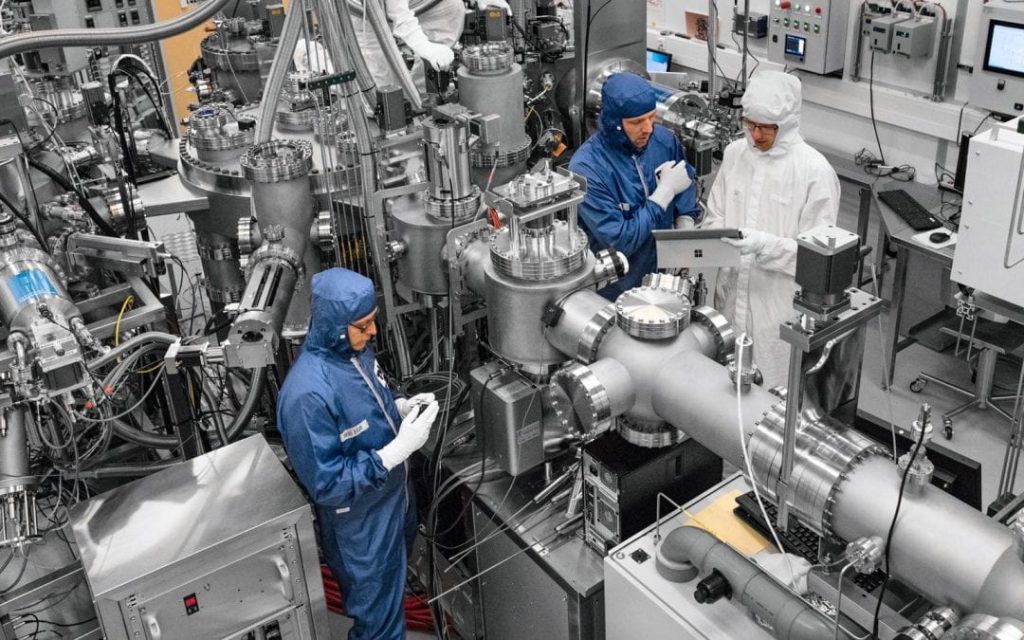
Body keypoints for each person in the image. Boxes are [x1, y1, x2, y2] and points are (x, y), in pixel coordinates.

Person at [277, 268, 439, 640]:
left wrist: (398, 405)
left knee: (391, 602)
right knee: (378, 626)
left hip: (393, 502)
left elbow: (373, 395)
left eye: (373, 321)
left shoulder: (355, 352)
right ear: (335, 325)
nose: (373, 333)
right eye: (363, 326)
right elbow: (327, 484)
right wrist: (393, 453)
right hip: (361, 527)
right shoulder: (306, 397)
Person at [702, 70, 841, 388]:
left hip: (777, 310)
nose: (756, 136)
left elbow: (815, 261)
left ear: (789, 124)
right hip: (729, 298)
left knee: (770, 400)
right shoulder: (736, 154)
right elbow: (714, 219)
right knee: (722, 392)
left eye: (766, 128)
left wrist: (764, 245)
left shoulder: (814, 173)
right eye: (750, 125)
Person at [569, 72, 701, 300]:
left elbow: (684, 180)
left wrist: (685, 224)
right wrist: (663, 194)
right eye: (637, 122)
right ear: (614, 122)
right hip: (615, 289)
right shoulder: (587, 168)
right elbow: (620, 241)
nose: (648, 128)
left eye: (651, 117)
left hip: (663, 277)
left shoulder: (663, 140)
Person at [355, 0, 511, 89]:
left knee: (450, 6)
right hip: (365, 11)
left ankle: (422, 93)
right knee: (381, 87)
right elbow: (400, 17)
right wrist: (426, 48)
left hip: (415, 3)